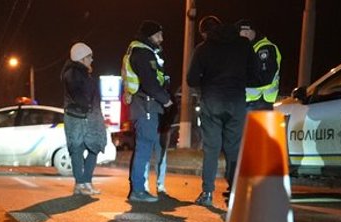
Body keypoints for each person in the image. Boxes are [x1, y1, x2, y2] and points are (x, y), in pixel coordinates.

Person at [186, 15, 259, 206]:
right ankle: (236, 194)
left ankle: (207, 194)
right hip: (236, 102)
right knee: (234, 149)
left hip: (212, 102)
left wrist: (207, 83)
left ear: (204, 32)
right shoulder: (243, 45)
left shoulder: (203, 49)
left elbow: (191, 80)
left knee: (211, 149)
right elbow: (256, 76)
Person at [121, 20, 173, 202]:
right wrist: (166, 100)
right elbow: (150, 82)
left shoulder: (140, 50)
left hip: (144, 104)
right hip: (146, 105)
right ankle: (137, 190)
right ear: (150, 35)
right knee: (144, 146)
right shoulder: (142, 52)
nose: (162, 38)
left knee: (143, 146)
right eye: (159, 34)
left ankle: (137, 188)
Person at [61, 42, 107, 195]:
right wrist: (87, 107)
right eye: (89, 57)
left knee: (94, 147)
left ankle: (86, 181)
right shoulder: (72, 73)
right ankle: (80, 183)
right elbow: (79, 94)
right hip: (78, 118)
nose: (92, 59)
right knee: (78, 149)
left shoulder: (84, 73)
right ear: (82, 58)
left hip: (90, 117)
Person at [237, 19, 282, 111]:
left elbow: (265, 78)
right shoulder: (250, 48)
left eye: (239, 35)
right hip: (251, 102)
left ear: (246, 32)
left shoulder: (264, 49)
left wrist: (239, 82)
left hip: (260, 101)